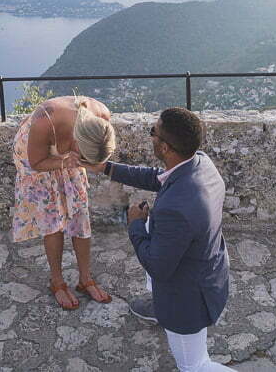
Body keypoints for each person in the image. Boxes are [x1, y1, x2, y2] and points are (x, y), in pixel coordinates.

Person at [86, 107, 234, 371]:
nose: (151, 135)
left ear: (165, 147)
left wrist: (135, 224)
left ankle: (166, 309)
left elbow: (157, 266)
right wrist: (107, 168)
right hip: (209, 268)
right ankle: (158, 306)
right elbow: (158, 178)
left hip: (188, 300)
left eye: (153, 131)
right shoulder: (200, 163)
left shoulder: (176, 209)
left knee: (195, 365)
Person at [12, 94, 116, 310]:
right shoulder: (45, 120)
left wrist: (78, 161)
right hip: (35, 156)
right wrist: (63, 161)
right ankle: (57, 281)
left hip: (68, 156)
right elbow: (37, 162)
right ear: (76, 142)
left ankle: (85, 279)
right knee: (53, 219)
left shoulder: (101, 116)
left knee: (80, 214)